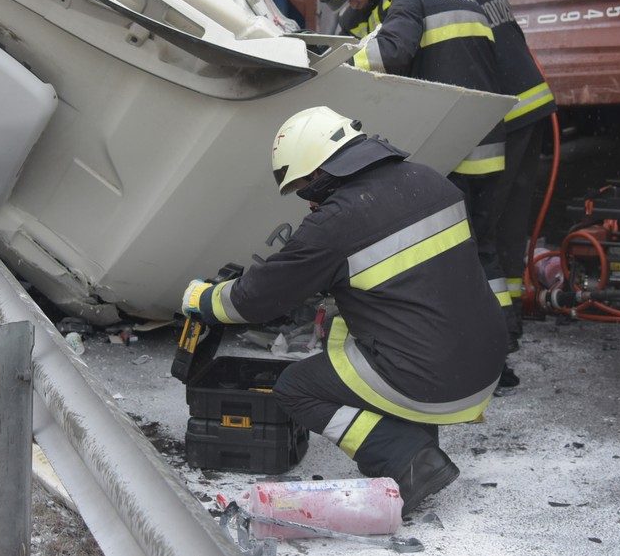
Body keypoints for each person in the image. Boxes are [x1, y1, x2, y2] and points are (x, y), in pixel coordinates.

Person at [180, 106, 505, 517]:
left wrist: (203, 298)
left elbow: (254, 301)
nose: (304, 195)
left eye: (302, 185)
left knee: (296, 388)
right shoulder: (431, 180)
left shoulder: (337, 221)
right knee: (348, 330)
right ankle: (413, 434)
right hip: (484, 362)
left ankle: (409, 462)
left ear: (318, 172)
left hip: (435, 379)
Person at [349, 0, 516, 383]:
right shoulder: (468, 1)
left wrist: (345, 59)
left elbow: (389, 54)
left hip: (451, 156)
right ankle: (501, 357)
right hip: (489, 152)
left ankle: (455, 357)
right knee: (483, 253)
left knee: (440, 259)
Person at [444, 0, 556, 352]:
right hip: (533, 104)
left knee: (486, 225)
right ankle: (511, 317)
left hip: (505, 112)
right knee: (510, 223)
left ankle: (499, 324)